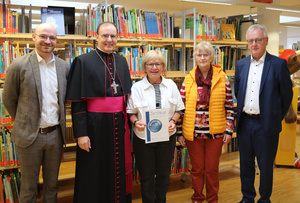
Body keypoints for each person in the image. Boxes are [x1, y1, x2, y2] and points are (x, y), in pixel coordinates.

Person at [2, 23, 69, 202]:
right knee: (29, 186)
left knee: (52, 184)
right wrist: (25, 121)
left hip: (55, 135)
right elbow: (9, 99)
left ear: (57, 41)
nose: (47, 41)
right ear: (34, 37)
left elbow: (64, 100)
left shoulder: (64, 67)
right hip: (29, 136)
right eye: (43, 36)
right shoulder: (18, 65)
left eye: (52, 38)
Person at [66, 22, 132, 203]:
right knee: (94, 170)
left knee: (116, 168)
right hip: (94, 126)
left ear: (117, 38)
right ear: (96, 37)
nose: (109, 40)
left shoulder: (122, 61)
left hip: (119, 124)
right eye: (105, 36)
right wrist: (81, 134)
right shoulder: (82, 61)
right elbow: (78, 103)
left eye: (113, 36)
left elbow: (126, 97)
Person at [234, 24, 293, 203]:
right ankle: (247, 197)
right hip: (245, 123)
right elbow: (238, 91)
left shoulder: (278, 64)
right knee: (245, 164)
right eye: (251, 41)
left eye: (258, 40)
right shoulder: (241, 64)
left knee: (265, 166)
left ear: (266, 41)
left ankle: (264, 199)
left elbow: (286, 95)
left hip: (266, 125)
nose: (254, 44)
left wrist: (274, 116)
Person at [177, 41, 234, 203]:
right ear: (195, 57)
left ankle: (212, 199)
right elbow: (181, 109)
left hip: (215, 133)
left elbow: (229, 106)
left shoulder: (223, 78)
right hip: (192, 133)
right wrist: (180, 133)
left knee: (211, 169)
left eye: (206, 54)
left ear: (212, 57)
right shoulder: (188, 80)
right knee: (197, 170)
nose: (202, 58)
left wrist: (229, 130)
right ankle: (197, 198)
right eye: (199, 55)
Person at [127, 49, 184, 203]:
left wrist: (173, 121)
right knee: (146, 177)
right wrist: (135, 122)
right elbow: (131, 112)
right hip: (143, 139)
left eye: (158, 64)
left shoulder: (171, 85)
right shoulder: (136, 87)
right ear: (144, 66)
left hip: (167, 138)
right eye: (150, 64)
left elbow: (179, 108)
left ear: (163, 66)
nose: (154, 67)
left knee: (164, 176)